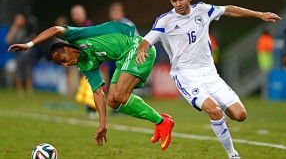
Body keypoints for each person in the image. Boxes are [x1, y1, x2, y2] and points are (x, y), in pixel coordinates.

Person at [135, 0, 282, 158]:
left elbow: (228, 9)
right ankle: (232, 154)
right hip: (186, 76)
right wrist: (141, 51)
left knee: (240, 115)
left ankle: (220, 120)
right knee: (214, 110)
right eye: (173, 1)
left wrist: (259, 15)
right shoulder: (165, 21)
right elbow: (147, 40)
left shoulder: (203, 10)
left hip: (210, 74)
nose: (178, 4)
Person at [8, 21, 175, 151]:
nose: (66, 65)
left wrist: (29, 45)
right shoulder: (85, 65)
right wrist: (103, 124)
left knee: (121, 95)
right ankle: (161, 120)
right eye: (62, 65)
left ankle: (161, 122)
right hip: (123, 60)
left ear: (66, 48)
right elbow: (97, 92)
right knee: (113, 101)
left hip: (137, 48)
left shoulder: (76, 36)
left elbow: (55, 29)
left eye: (64, 60)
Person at [6, 13, 36, 97]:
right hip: (18, 54)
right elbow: (8, 40)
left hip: (28, 54)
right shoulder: (13, 29)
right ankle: (20, 91)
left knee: (28, 72)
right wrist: (15, 26)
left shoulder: (28, 28)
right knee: (19, 72)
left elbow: (33, 37)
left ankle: (29, 90)